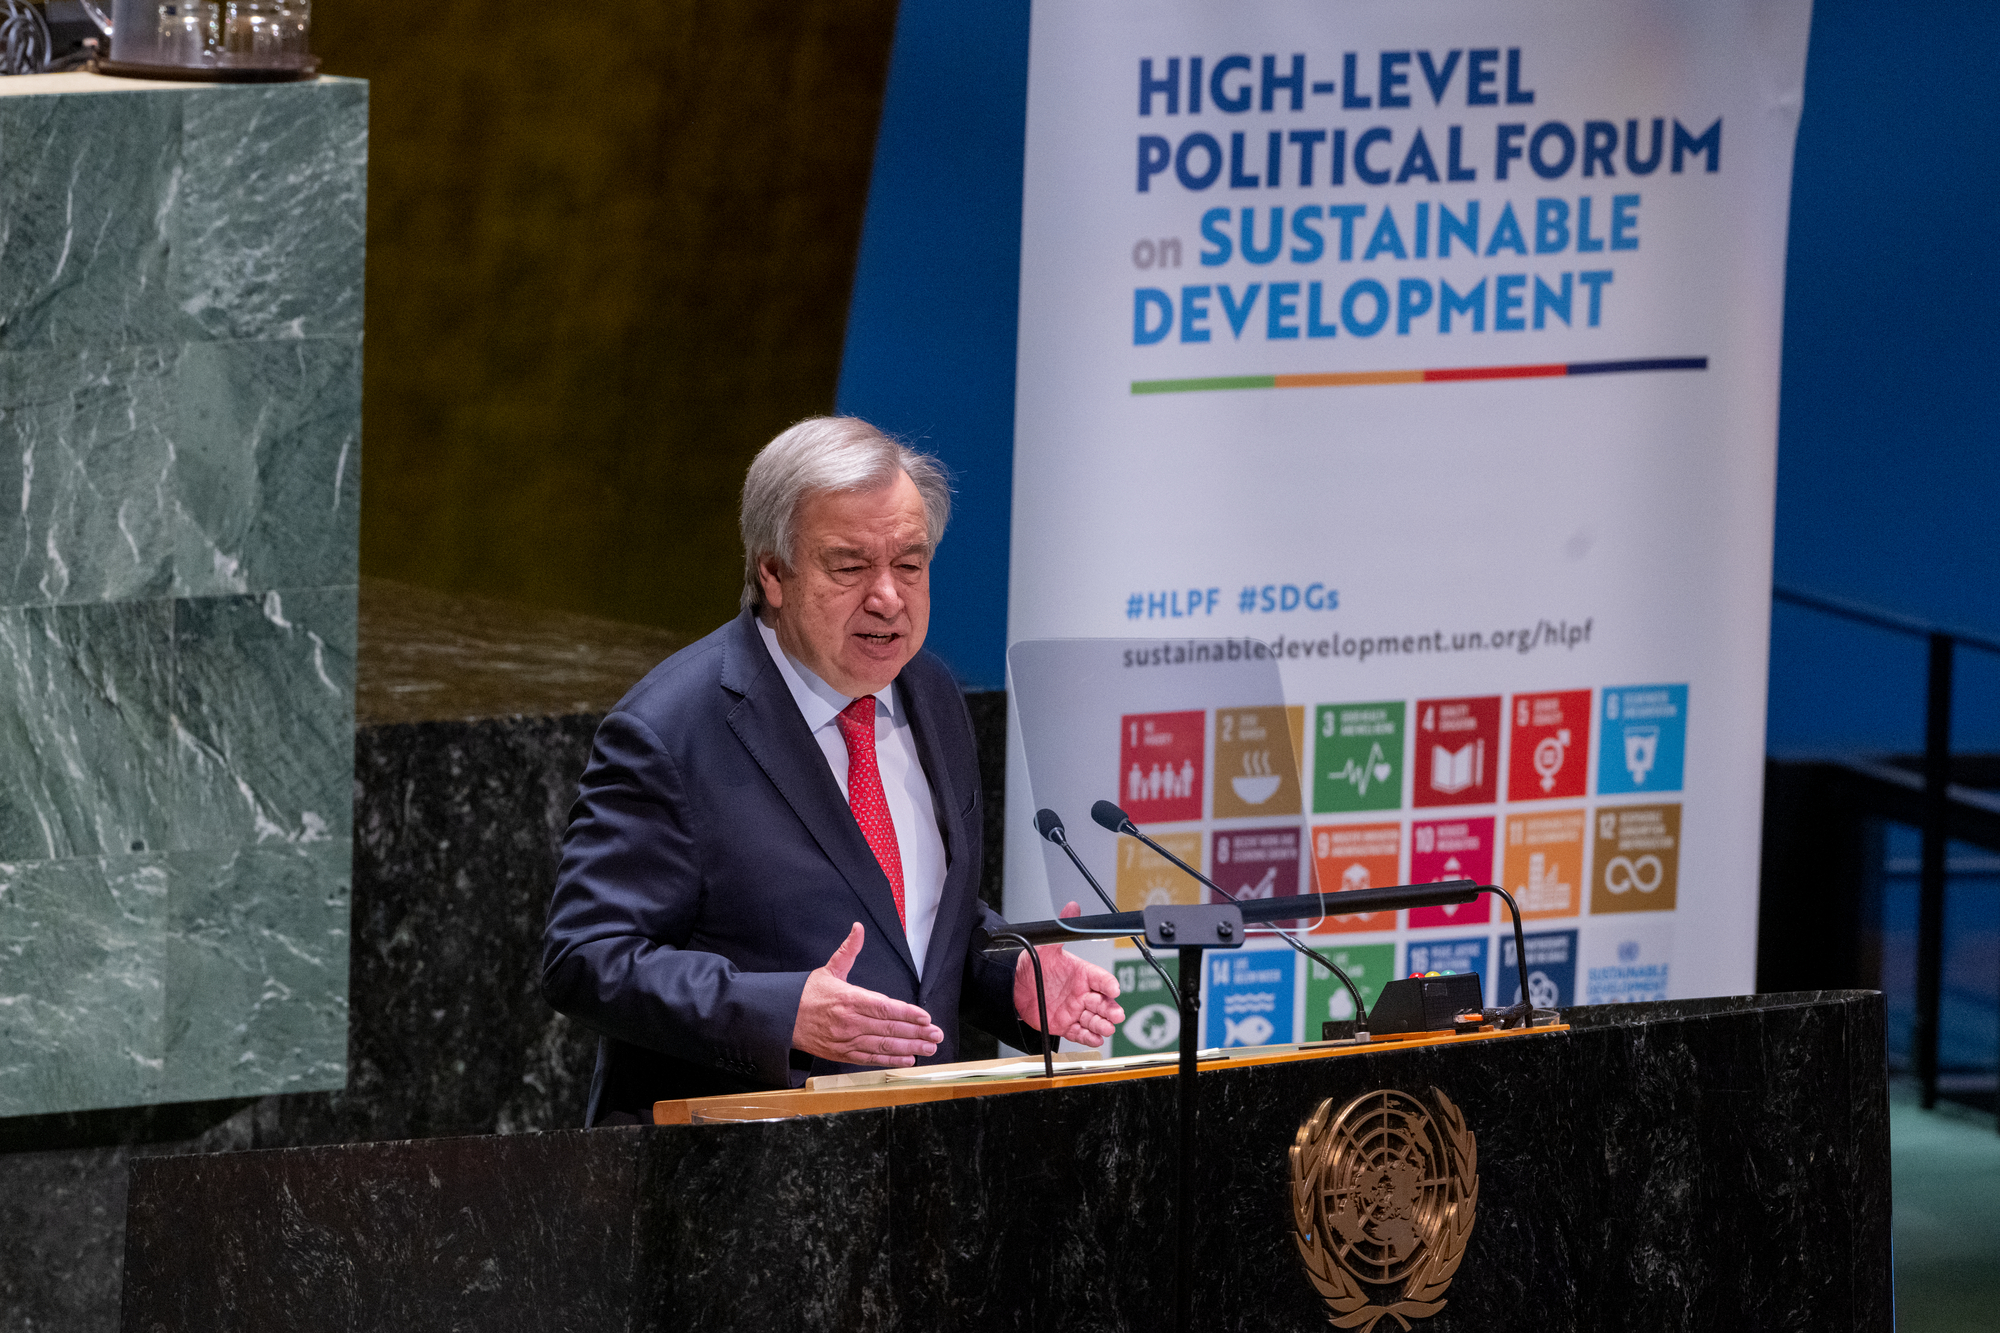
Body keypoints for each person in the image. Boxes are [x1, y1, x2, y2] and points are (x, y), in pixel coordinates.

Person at [541, 416, 1125, 1124]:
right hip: (732, 1176)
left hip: (915, 1161)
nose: (887, 596)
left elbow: (914, 916)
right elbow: (586, 957)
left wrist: (1014, 976)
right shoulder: (670, 732)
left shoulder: (931, 693)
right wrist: (781, 1011)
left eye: (909, 564)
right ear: (773, 573)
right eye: (849, 566)